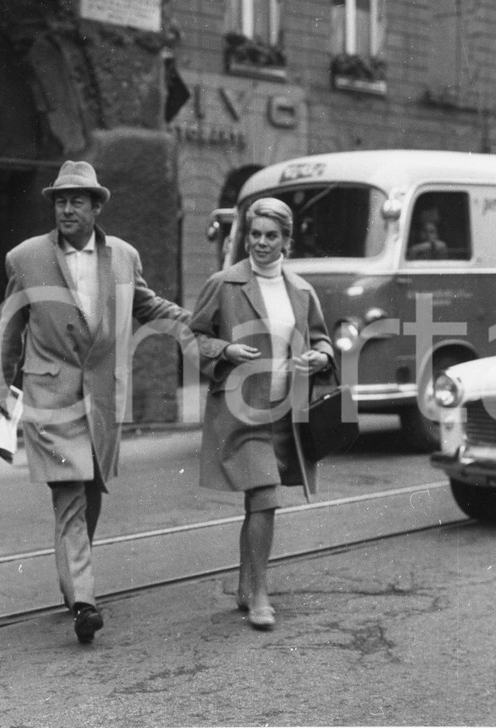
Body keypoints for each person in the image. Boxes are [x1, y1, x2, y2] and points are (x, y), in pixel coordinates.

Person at [0, 160, 190, 645]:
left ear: (96, 207)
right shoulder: (25, 258)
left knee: (92, 488)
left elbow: (148, 305)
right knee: (69, 496)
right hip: (49, 395)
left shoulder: (124, 257)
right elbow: (10, 326)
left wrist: (197, 322)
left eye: (77, 201)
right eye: (60, 201)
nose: (67, 209)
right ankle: (85, 602)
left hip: (101, 396)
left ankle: (74, 579)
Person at [190, 197, 335, 630]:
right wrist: (225, 350)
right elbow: (193, 338)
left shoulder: (301, 291)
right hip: (242, 411)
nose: (261, 243)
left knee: (259, 501)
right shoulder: (224, 284)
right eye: (255, 234)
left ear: (286, 240)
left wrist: (322, 357)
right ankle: (259, 594)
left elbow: (322, 340)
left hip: (286, 413)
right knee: (266, 498)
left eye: (271, 236)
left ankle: (244, 583)